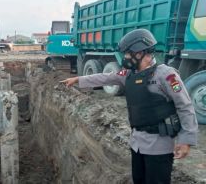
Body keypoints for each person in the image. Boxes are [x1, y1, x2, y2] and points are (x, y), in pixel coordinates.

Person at [61, 29, 198, 184]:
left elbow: (185, 106)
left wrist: (186, 140)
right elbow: (106, 77)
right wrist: (79, 79)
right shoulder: (128, 74)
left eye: (127, 53)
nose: (125, 57)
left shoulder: (166, 75)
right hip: (137, 144)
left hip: (159, 147)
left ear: (139, 53)